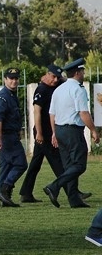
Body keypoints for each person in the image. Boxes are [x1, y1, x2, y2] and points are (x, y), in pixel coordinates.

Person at [43, 58, 99, 209]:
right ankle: (54, 186)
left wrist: (54, 133)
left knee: (69, 167)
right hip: (72, 131)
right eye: (82, 72)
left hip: (60, 129)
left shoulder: (58, 90)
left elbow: (52, 114)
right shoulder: (78, 89)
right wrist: (93, 130)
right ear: (77, 73)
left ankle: (74, 200)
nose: (83, 74)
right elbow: (83, 113)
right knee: (79, 165)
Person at [18, 65, 65, 202]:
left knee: (35, 164)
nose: (55, 80)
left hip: (49, 131)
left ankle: (26, 193)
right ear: (47, 74)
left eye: (57, 77)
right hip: (44, 132)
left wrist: (60, 78)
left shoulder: (55, 85)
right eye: (53, 76)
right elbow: (37, 112)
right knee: (57, 163)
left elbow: (66, 80)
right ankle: (73, 192)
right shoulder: (42, 89)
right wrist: (39, 133)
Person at [0, 67, 28, 207]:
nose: (14, 81)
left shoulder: (11, 95)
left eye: (16, 78)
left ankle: (4, 199)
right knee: (21, 164)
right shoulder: (3, 97)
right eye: (11, 78)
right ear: (5, 79)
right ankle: (4, 190)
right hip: (6, 137)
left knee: (6, 167)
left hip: (9, 135)